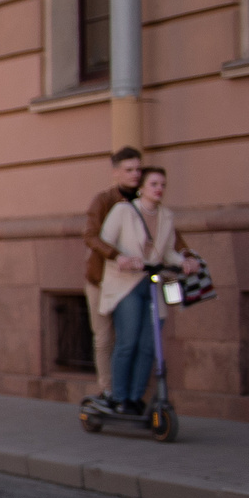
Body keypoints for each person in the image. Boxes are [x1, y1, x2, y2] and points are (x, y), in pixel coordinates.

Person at [93, 163, 192, 416]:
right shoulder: (123, 211)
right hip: (126, 284)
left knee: (150, 344)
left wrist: (184, 262)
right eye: (154, 184)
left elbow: (166, 251)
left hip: (153, 282)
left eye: (163, 185)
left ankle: (135, 397)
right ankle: (118, 397)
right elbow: (104, 241)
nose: (159, 189)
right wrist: (121, 258)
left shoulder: (166, 216)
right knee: (128, 342)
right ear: (142, 188)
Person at [80, 147, 144, 398]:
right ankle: (107, 389)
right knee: (105, 338)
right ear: (116, 172)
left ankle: (130, 391)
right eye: (129, 170)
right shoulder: (104, 200)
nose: (135, 174)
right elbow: (90, 236)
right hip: (101, 280)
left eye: (138, 169)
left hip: (133, 282)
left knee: (130, 339)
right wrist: (116, 256)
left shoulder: (144, 199)